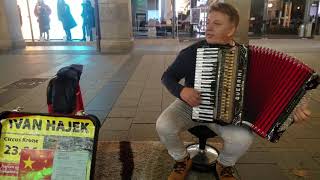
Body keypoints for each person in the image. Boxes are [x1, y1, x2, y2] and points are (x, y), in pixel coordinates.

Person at [156, 2, 312, 180]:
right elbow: (167, 77)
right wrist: (182, 91)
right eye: (208, 22)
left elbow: (275, 93)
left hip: (229, 115)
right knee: (163, 125)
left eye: (217, 24)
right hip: (191, 105)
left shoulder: (248, 58)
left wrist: (293, 111)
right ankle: (182, 159)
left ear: (231, 30)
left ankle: (225, 164)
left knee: (243, 140)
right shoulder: (193, 52)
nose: (208, 28)